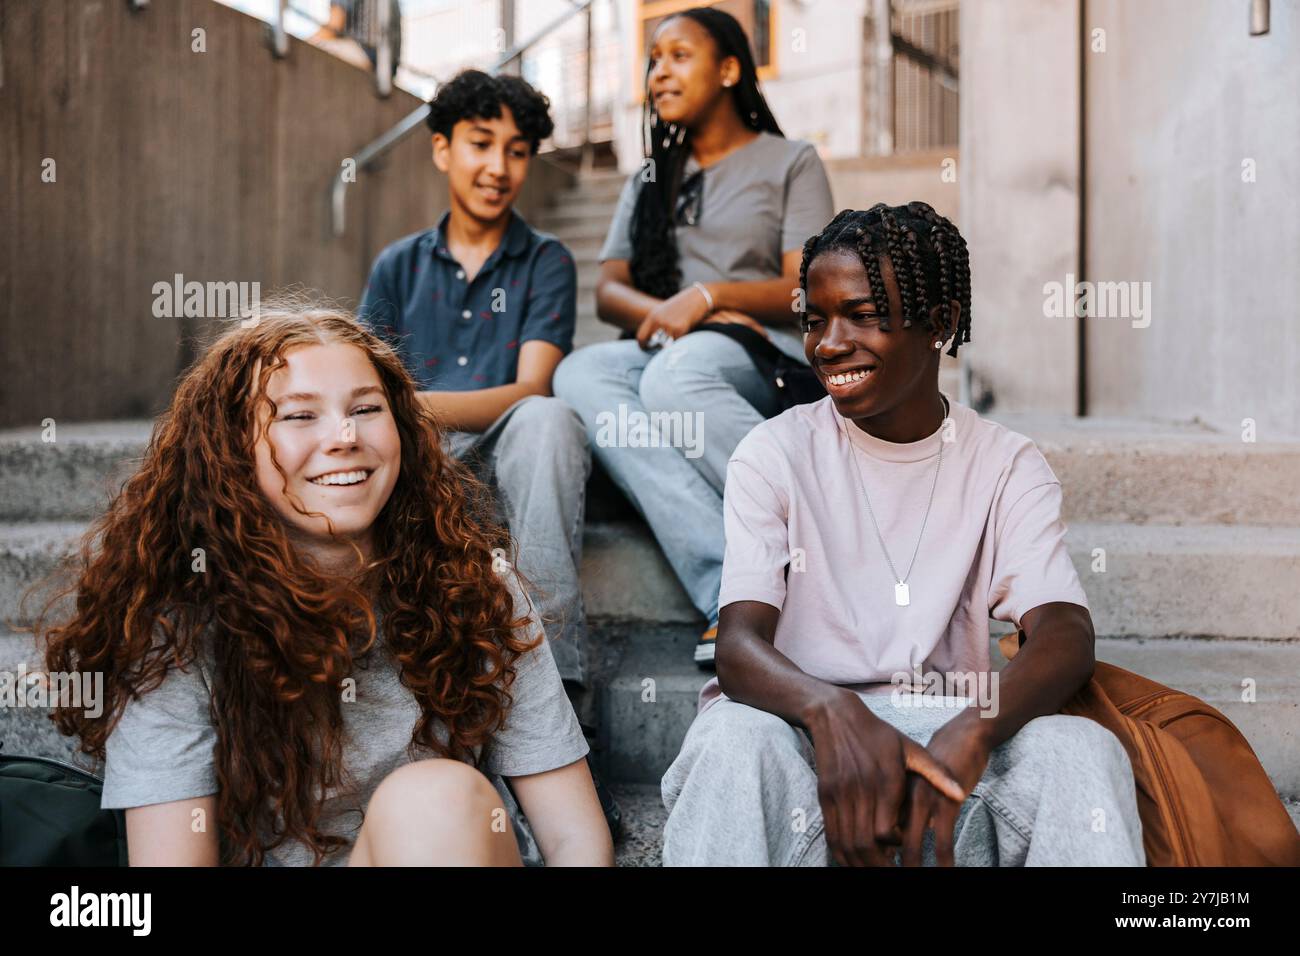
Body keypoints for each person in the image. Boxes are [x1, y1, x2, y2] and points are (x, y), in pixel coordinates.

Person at [39, 300, 613, 866]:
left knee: (435, 799)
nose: (344, 436)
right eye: (298, 415)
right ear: (233, 449)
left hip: (442, 845)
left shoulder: (472, 583)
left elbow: (574, 840)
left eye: (366, 409)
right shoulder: (176, 624)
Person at [660, 203, 1146, 867]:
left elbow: (1065, 634)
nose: (828, 343)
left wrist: (980, 726)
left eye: (862, 315)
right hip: (803, 746)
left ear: (940, 324)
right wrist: (832, 711)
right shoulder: (773, 453)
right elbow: (738, 647)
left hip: (949, 751)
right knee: (732, 741)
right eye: (814, 318)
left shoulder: (1006, 464)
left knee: (1080, 748)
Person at [552, 6, 834, 668]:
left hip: (766, 351)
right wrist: (677, 312)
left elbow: (811, 289)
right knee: (580, 375)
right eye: (653, 60)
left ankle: (819, 525)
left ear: (730, 69)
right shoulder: (652, 176)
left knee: (673, 375)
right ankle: (729, 588)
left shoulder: (791, 161)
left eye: (679, 55)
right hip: (679, 348)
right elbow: (610, 290)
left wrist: (712, 297)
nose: (659, 73)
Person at [309, 0, 402, 78]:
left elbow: (333, 27)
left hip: (364, 55)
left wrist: (302, 44)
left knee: (312, 50)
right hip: (388, 70)